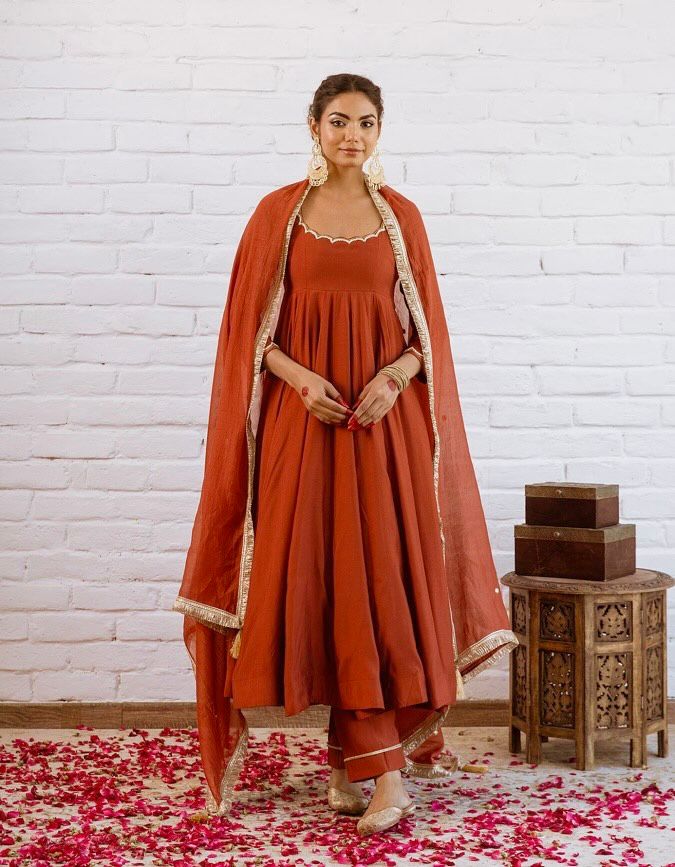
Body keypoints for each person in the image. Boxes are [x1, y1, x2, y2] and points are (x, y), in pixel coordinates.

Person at [173, 73, 518, 837]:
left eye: (364, 122)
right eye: (337, 120)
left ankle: (377, 773)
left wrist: (394, 378)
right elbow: (247, 335)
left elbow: (428, 334)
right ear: (312, 126)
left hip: (383, 431)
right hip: (301, 430)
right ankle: (351, 767)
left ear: (379, 130)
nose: (351, 135)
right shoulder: (276, 216)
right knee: (323, 581)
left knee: (380, 583)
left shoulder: (402, 217)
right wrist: (299, 379)